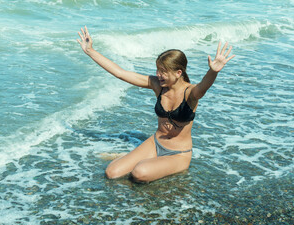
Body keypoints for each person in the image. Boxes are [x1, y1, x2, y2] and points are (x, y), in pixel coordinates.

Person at [77, 26, 235, 183]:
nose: (158, 75)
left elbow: (204, 86)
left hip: (179, 154)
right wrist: (90, 51)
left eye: (163, 71)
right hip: (155, 142)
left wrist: (213, 71)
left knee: (139, 172)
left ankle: (144, 161)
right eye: (158, 70)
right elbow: (121, 73)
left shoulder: (191, 93)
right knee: (112, 172)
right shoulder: (158, 85)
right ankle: (138, 158)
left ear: (178, 72)